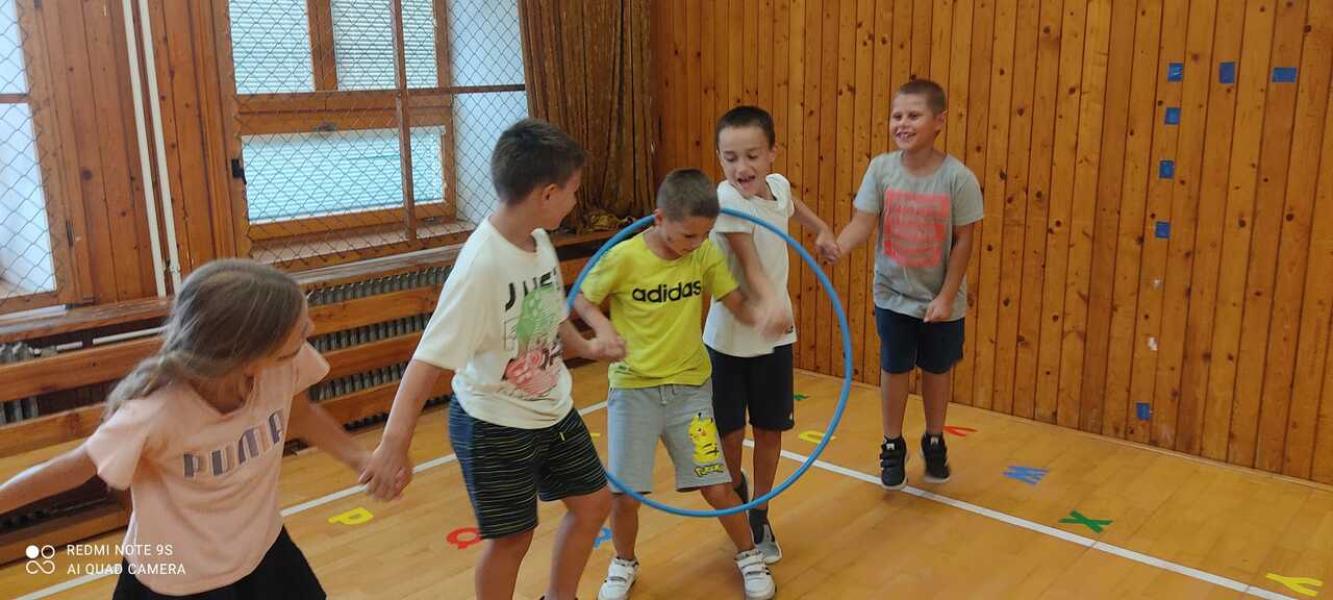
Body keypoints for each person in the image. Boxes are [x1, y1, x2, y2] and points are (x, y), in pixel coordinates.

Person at [360, 118, 619, 600]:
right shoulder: (480, 267)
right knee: (513, 539)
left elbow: (547, 310)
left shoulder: (538, 239)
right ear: (547, 194)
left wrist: (584, 347)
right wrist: (394, 444)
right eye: (573, 191)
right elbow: (428, 360)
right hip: (494, 426)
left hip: (552, 410)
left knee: (593, 504)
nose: (576, 200)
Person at [0, 259, 366, 598]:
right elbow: (73, 468)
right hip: (180, 579)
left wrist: (361, 460)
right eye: (299, 329)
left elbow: (301, 414)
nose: (310, 329)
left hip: (261, 550)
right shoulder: (156, 412)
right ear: (247, 357)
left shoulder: (282, 364)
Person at [574, 168, 784, 600]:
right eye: (688, 235)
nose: (697, 243)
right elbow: (580, 297)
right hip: (633, 391)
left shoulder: (703, 255)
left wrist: (761, 318)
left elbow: (733, 300)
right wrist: (601, 327)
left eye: (705, 234)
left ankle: (749, 554)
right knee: (625, 494)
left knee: (717, 485)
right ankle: (623, 561)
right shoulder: (624, 257)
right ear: (658, 219)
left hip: (690, 392)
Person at [829, 78, 984, 491]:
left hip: (940, 300)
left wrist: (946, 297)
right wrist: (840, 246)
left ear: (939, 121)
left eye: (914, 115)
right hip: (892, 295)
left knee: (936, 369)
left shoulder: (958, 178)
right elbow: (863, 221)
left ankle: (934, 440)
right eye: (897, 115)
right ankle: (892, 444)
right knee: (894, 368)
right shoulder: (881, 170)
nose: (903, 123)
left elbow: (964, 240)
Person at [703, 105, 838, 563]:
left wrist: (821, 229)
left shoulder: (777, 185)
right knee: (729, 438)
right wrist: (771, 303)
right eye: (730, 158)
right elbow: (750, 263)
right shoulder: (726, 199)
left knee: (769, 431)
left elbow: (790, 204)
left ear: (773, 153)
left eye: (752, 156)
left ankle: (759, 513)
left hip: (774, 341)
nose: (742, 167)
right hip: (728, 341)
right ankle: (737, 494)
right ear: (720, 159)